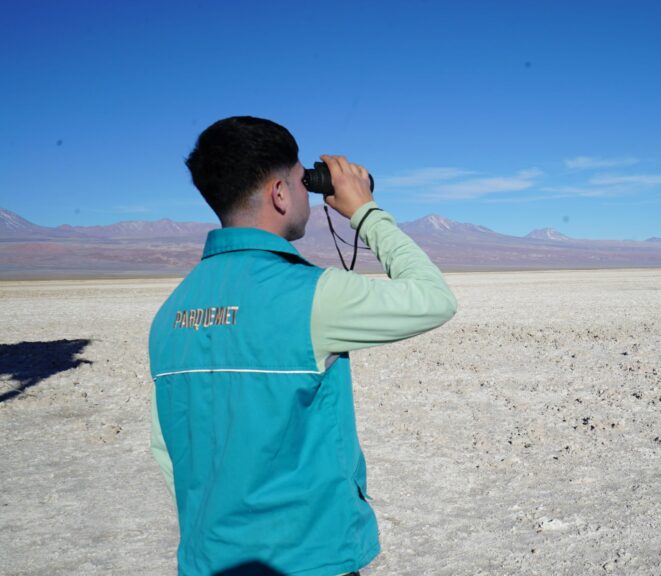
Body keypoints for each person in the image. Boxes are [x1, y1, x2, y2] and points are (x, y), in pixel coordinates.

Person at [149, 116, 457, 576]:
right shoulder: (312, 295)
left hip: (210, 560)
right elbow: (434, 299)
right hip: (310, 557)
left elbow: (167, 450)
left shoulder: (171, 312)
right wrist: (365, 211)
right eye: (300, 180)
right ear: (279, 193)